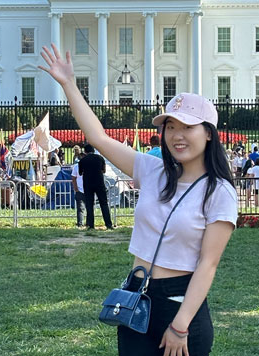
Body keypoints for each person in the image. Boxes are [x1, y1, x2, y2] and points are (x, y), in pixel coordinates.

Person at [39, 43, 237, 355]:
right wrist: (69, 85)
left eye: (187, 126)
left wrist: (180, 325)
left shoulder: (218, 191)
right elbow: (98, 138)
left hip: (181, 302)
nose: (176, 135)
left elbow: (208, 264)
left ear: (209, 133)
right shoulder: (153, 170)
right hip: (138, 293)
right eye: (171, 126)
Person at [78, 144, 113, 230]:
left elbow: (80, 173)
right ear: (93, 150)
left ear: (85, 151)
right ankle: (108, 224)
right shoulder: (100, 158)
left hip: (88, 184)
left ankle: (91, 225)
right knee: (104, 204)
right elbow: (104, 170)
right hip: (99, 183)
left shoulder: (82, 160)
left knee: (89, 205)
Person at [71, 153, 86, 228]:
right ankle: (80, 223)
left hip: (86, 190)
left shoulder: (77, 166)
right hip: (80, 190)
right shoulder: (76, 167)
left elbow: (73, 178)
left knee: (83, 208)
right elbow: (73, 178)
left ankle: (86, 223)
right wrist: (76, 189)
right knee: (80, 208)